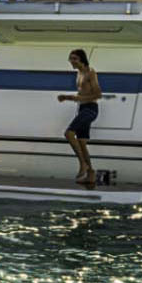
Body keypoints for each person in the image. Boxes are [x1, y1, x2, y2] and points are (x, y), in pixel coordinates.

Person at [56, 48, 101, 185]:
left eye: (74, 58)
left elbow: (97, 95)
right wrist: (69, 98)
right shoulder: (79, 74)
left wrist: (69, 97)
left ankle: (83, 164)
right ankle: (90, 174)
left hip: (90, 109)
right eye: (70, 59)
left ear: (82, 59)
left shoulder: (90, 72)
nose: (71, 61)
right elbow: (81, 95)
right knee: (81, 141)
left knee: (69, 133)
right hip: (82, 109)